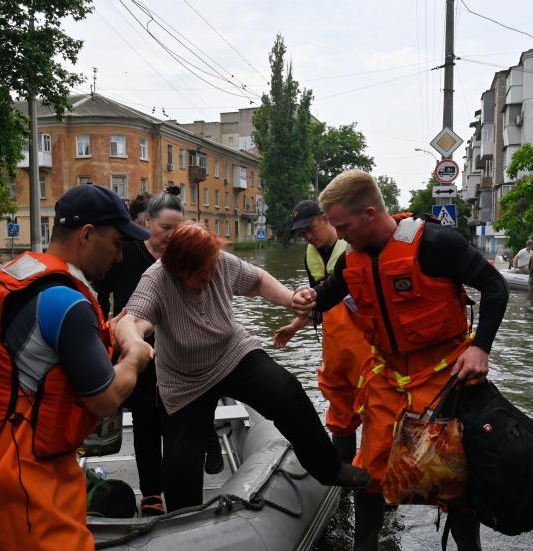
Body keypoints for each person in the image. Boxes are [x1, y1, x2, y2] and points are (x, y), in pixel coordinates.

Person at [291, 170, 508, 551]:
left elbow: (495, 286)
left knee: (452, 473)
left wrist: (481, 347)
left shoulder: (436, 244)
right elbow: (334, 290)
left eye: (343, 225)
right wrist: (312, 297)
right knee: (369, 466)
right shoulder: (353, 257)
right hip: (388, 375)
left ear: (370, 213)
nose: (338, 233)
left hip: (444, 374)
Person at [0, 184, 154, 551]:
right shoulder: (68, 303)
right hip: (23, 497)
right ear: (87, 235)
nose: (121, 257)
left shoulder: (13, 277)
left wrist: (111, 328)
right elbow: (104, 399)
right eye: (117, 243)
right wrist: (135, 356)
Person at [116, 223, 372, 513]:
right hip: (184, 378)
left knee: (286, 390)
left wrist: (291, 300)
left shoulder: (219, 261)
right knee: (180, 463)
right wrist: (134, 342)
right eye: (201, 274)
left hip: (231, 353)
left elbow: (258, 281)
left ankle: (327, 468)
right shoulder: (156, 278)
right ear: (177, 269)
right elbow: (133, 320)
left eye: (211, 269)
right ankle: (182, 524)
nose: (209, 276)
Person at [94, 192, 224, 517]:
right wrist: (101, 324)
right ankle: (152, 494)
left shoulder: (186, 257)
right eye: (165, 227)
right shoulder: (126, 256)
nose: (171, 234)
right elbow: (99, 290)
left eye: (177, 228)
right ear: (147, 222)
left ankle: (197, 464)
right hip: (140, 353)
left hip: (182, 354)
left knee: (181, 421)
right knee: (145, 423)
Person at [273, 200, 371, 464]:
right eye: (301, 233)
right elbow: (319, 302)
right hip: (336, 351)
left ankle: (381, 484)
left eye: (309, 228)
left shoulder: (355, 248)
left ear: (326, 219)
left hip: (367, 348)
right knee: (340, 414)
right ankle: (342, 480)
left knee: (377, 412)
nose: (306, 236)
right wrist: (295, 326)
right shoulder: (311, 255)